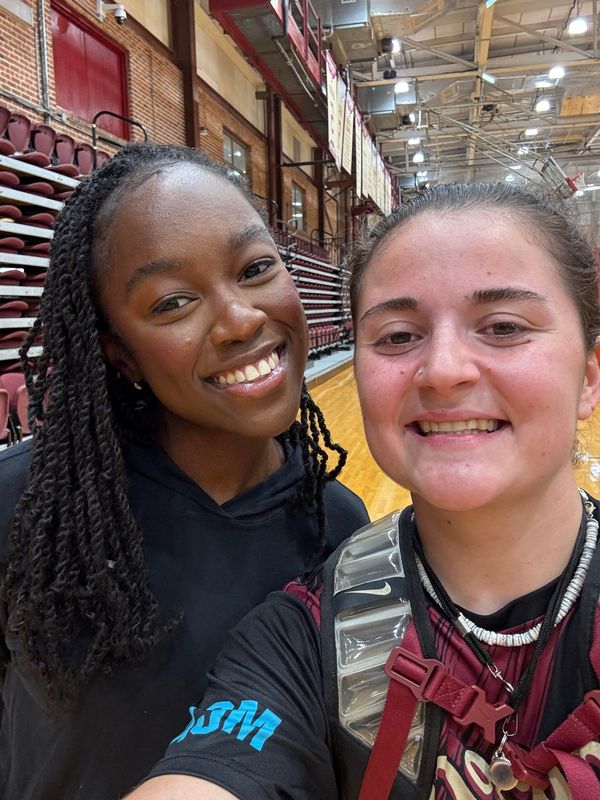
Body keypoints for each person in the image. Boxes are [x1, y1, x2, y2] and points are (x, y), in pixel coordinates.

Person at [126, 182, 600, 800]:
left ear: (589, 377)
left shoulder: (334, 514)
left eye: (503, 326)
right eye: (399, 336)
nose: (445, 369)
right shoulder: (293, 638)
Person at [0, 142, 369, 800]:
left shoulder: (336, 521)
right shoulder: (27, 505)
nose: (241, 319)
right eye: (171, 303)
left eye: (256, 267)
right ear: (120, 354)